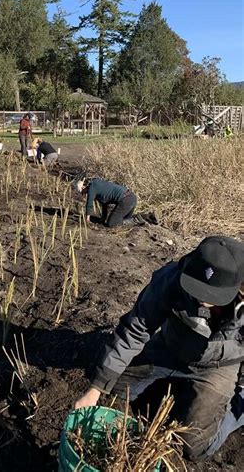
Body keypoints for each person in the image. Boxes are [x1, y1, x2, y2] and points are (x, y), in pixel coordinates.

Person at [74, 236, 244, 461]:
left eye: (212, 296)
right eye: (197, 289)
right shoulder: (172, 277)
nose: (203, 301)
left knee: (194, 447)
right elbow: (135, 330)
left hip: (218, 367)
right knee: (115, 391)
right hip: (170, 348)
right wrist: (95, 389)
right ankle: (179, 390)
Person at [75, 178, 141, 227]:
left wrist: (87, 220)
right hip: (132, 197)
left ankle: (135, 219)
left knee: (112, 223)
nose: (85, 194)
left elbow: (89, 204)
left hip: (126, 200)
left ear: (83, 187)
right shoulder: (97, 184)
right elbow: (104, 203)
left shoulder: (91, 188)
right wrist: (103, 218)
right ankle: (135, 219)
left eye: (83, 192)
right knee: (123, 220)